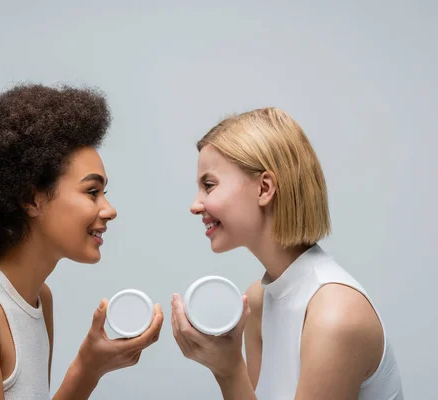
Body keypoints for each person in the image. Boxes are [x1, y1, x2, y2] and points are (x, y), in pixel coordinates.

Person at [0, 84, 164, 400]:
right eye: (92, 192)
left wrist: (90, 367)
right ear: (32, 199)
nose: (109, 210)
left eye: (104, 193)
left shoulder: (40, 298)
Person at [171, 107, 403, 399]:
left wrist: (229, 370)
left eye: (209, 185)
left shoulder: (335, 315)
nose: (196, 204)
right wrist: (225, 368)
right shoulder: (259, 300)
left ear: (264, 188)